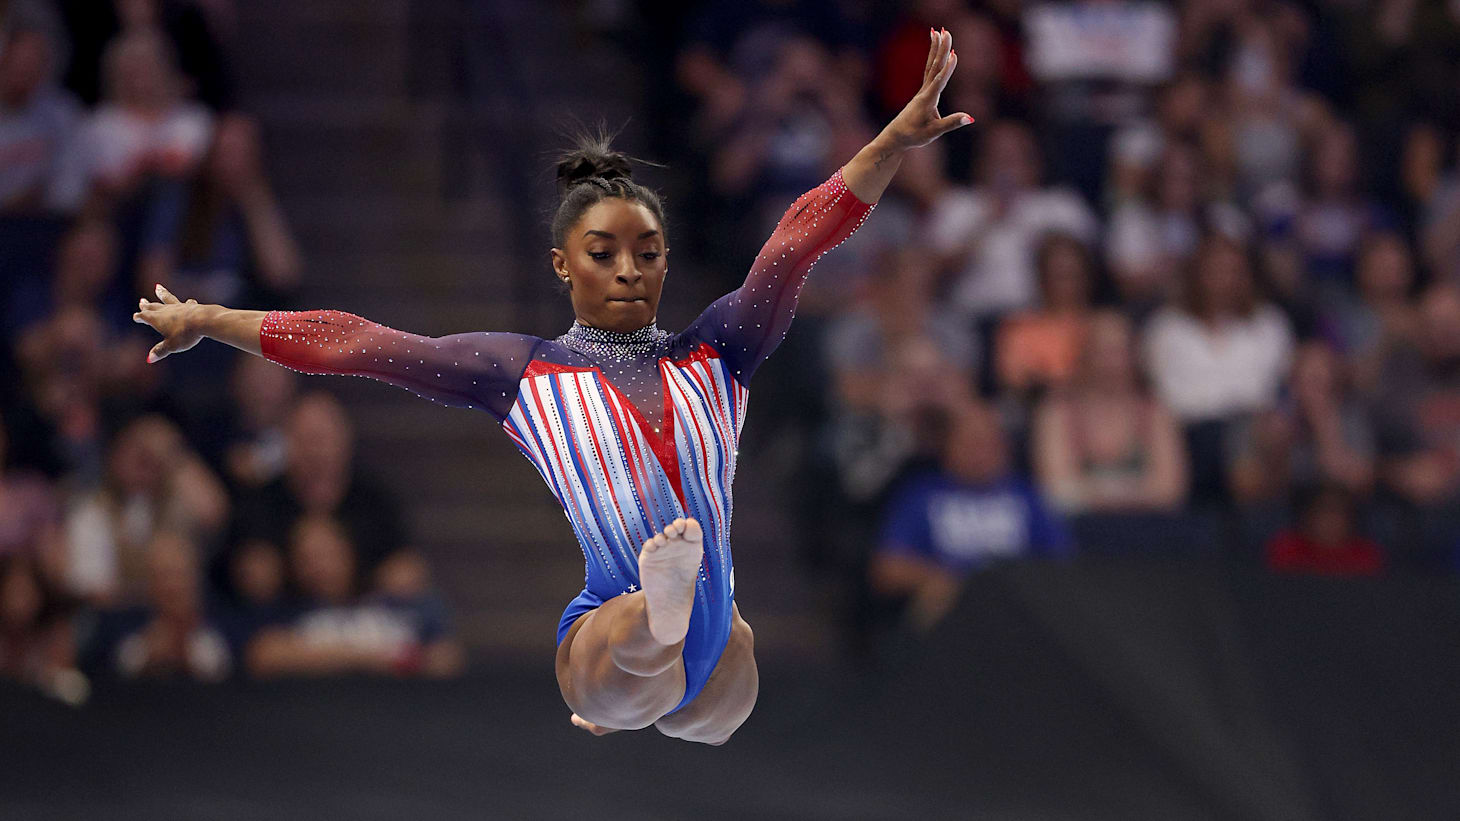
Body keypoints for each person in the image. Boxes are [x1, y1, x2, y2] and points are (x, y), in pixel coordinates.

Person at [132, 28, 976, 745]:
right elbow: (360, 342)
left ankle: (666, 628)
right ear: (562, 265)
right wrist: (215, 317)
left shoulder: (719, 351)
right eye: (603, 254)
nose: (627, 270)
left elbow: (793, 242)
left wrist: (890, 142)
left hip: (715, 637)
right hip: (612, 615)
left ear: (666, 264)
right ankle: (654, 618)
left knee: (715, 712)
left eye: (647, 253)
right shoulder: (522, 373)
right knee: (618, 663)